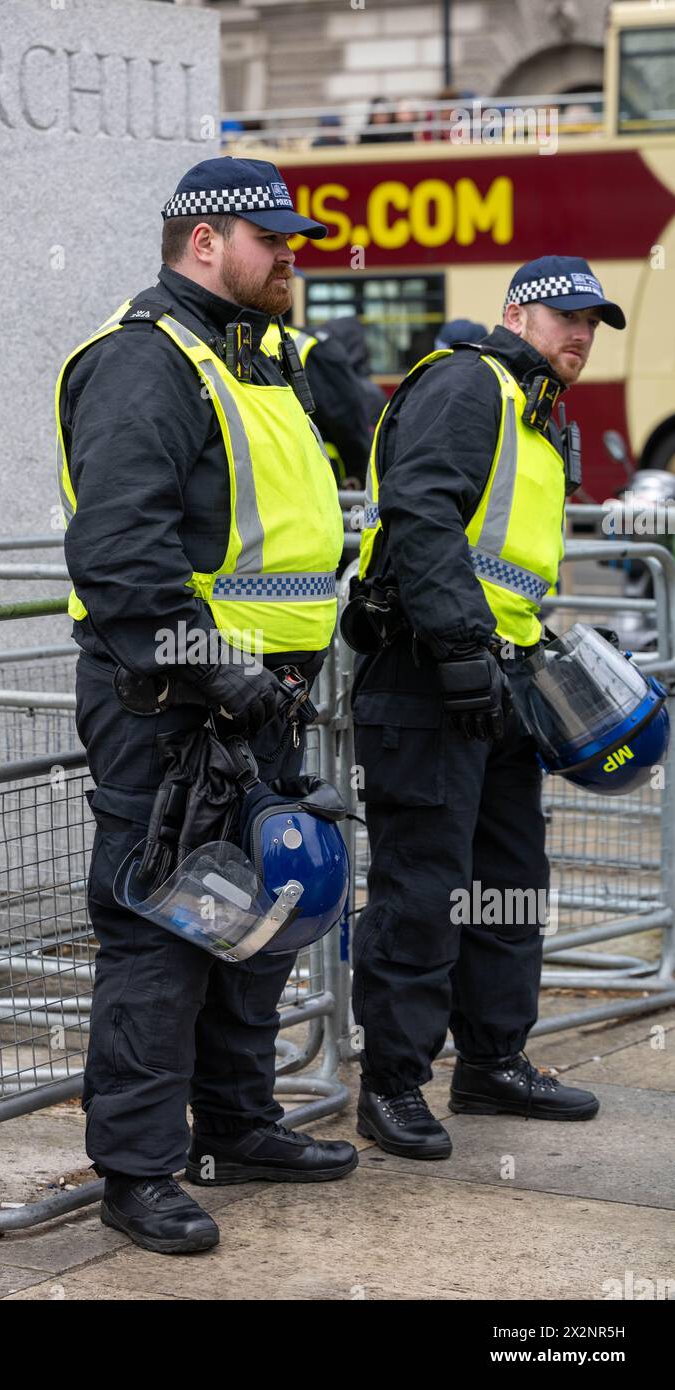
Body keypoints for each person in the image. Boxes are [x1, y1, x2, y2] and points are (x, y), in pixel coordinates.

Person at [55, 155, 358, 1254]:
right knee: (162, 937)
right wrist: (216, 671)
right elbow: (121, 558)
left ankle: (235, 1124)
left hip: (261, 699)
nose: (292, 256)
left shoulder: (259, 362)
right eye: (273, 239)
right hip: (172, 704)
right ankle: (137, 1171)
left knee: (257, 923)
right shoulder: (145, 363)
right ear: (202, 240)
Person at [344, 255, 626, 1159]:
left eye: (594, 323)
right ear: (517, 312)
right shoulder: (474, 382)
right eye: (566, 317)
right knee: (422, 889)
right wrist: (464, 646)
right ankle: (392, 1085)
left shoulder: (538, 410)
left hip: (494, 680)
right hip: (429, 673)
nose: (581, 334)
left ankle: (492, 1060)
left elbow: (506, 562)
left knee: (508, 883)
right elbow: (421, 512)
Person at [259, 318, 374, 485]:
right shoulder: (313, 346)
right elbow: (348, 421)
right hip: (314, 475)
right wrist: (359, 474)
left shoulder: (233, 338)